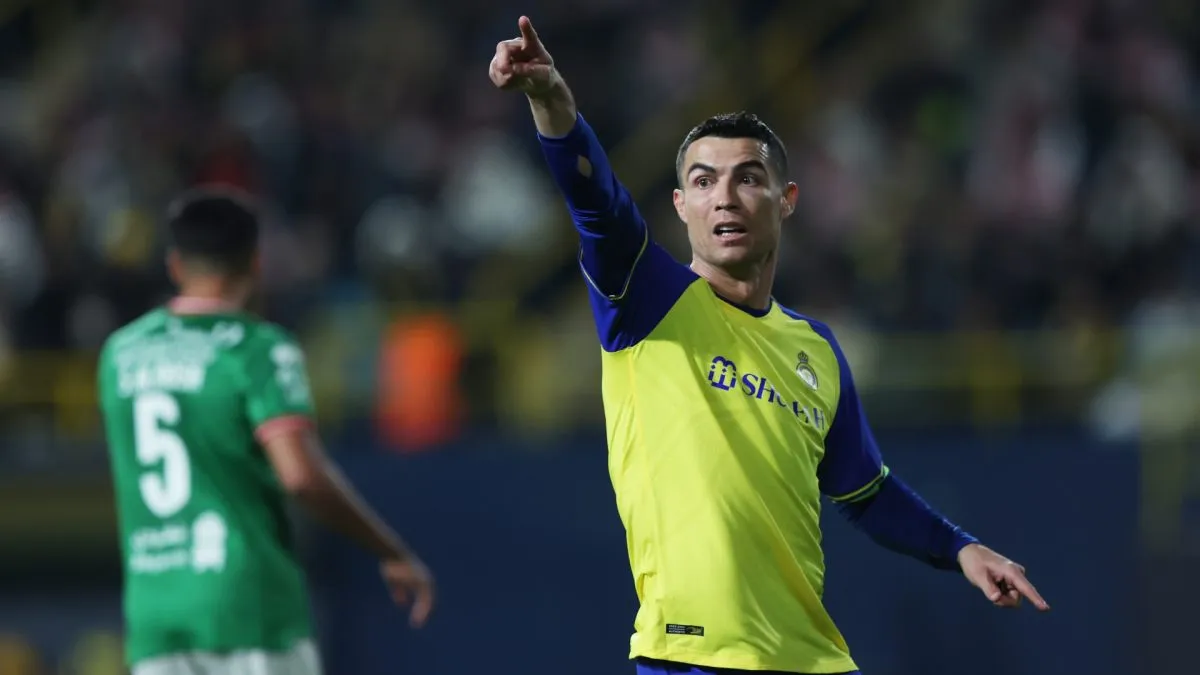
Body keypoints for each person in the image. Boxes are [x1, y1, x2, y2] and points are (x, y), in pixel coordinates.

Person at [489, 16, 1050, 675]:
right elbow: (595, 201)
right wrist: (550, 99)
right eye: (702, 182)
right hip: (690, 656)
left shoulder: (815, 350)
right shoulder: (646, 300)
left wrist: (961, 548)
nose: (724, 196)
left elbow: (865, 491)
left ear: (786, 200)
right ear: (679, 204)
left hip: (815, 660)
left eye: (747, 179)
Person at [96, 189, 435, 675]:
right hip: (247, 606)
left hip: (156, 614)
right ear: (254, 262)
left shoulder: (119, 355)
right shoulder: (259, 349)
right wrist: (390, 550)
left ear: (175, 265)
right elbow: (301, 477)